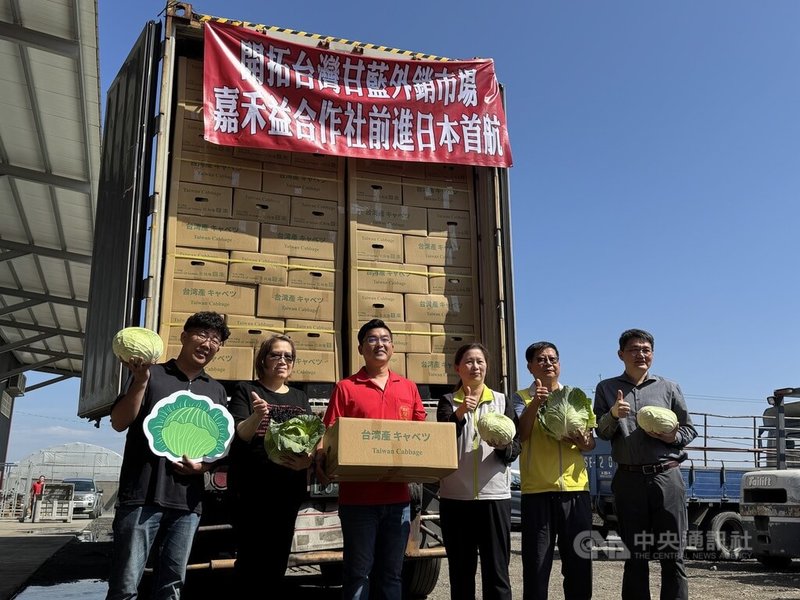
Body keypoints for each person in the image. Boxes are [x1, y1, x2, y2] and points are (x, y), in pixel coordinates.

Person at [106, 311, 230, 600]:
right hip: (141, 496)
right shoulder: (152, 374)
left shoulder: (216, 389)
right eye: (201, 334)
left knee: (172, 585)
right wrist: (139, 381)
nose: (207, 343)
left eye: (215, 339)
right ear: (184, 337)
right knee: (125, 586)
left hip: (187, 503)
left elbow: (220, 445)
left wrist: (203, 467)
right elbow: (119, 422)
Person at [318, 318, 427, 600]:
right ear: (360, 348)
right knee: (357, 573)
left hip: (397, 500)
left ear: (392, 347)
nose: (379, 344)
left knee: (392, 574)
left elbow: (423, 435)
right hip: (358, 500)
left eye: (385, 339)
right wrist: (322, 463)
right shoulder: (346, 387)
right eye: (372, 339)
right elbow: (330, 434)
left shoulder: (408, 388)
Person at [593, 329, 697, 600]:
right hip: (629, 480)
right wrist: (614, 415)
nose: (641, 354)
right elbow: (601, 432)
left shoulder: (669, 388)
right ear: (621, 355)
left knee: (672, 555)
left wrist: (672, 435)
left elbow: (689, 430)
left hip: (666, 477)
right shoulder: (606, 389)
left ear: (652, 354)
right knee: (636, 557)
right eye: (634, 349)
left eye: (645, 349)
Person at [226, 334, 313, 595]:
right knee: (251, 559)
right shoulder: (246, 389)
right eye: (275, 355)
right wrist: (258, 415)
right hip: (253, 489)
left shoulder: (300, 396)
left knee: (278, 558)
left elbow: (308, 438)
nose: (282, 360)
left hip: (288, 489)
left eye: (288, 356)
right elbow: (240, 433)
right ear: (263, 360)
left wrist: (306, 461)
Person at [437, 342, 520, 600]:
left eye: (480, 362)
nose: (475, 366)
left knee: (497, 572)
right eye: (469, 362)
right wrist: (462, 411)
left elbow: (516, 447)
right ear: (457, 368)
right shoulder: (448, 402)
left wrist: (504, 447)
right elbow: (442, 441)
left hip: (494, 498)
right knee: (461, 573)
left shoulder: (501, 401)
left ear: (487, 367)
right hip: (455, 498)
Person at [512, 341, 594, 600]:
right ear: (530, 367)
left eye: (552, 359)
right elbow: (521, 435)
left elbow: (590, 442)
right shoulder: (520, 398)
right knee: (537, 566)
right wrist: (536, 402)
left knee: (580, 566)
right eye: (541, 359)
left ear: (559, 364)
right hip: (538, 492)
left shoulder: (574, 395)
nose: (548, 363)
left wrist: (584, 442)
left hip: (576, 491)